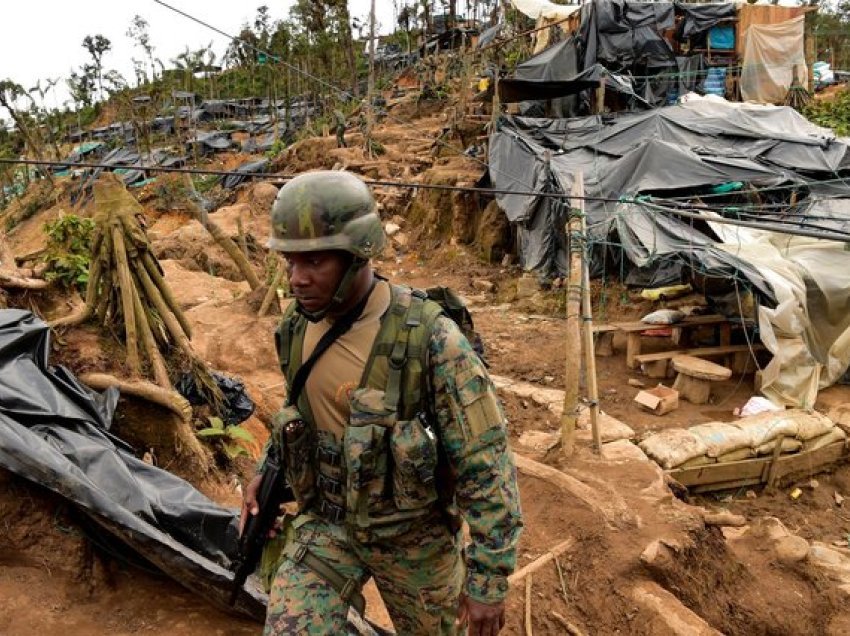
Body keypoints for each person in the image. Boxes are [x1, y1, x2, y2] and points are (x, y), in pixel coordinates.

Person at [241, 170, 522, 635]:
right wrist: (267, 474)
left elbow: (486, 462)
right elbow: (302, 416)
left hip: (413, 537)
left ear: (357, 254)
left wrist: (489, 580)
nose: (297, 279)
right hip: (328, 528)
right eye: (290, 262)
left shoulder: (431, 339)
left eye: (314, 262)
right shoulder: (294, 329)